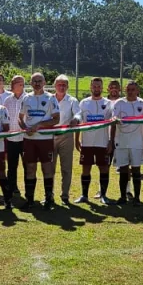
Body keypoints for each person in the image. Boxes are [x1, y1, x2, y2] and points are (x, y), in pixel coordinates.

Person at [18, 72, 61, 210]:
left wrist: (40, 125)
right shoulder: (26, 98)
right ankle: (29, 200)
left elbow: (56, 119)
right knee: (30, 168)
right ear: (30, 83)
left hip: (45, 139)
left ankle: (49, 199)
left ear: (44, 83)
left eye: (39, 81)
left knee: (46, 168)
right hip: (29, 139)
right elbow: (20, 117)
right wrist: (25, 128)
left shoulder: (50, 98)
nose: (37, 83)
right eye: (34, 81)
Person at [109, 81, 143, 205]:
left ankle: (137, 198)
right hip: (121, 142)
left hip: (137, 143)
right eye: (128, 89)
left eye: (133, 89)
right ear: (125, 90)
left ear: (137, 90)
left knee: (136, 170)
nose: (130, 91)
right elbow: (113, 123)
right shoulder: (119, 103)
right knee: (123, 170)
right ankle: (123, 197)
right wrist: (111, 141)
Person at [75, 77, 113, 204]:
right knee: (86, 168)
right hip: (87, 142)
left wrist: (111, 141)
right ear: (90, 87)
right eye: (94, 86)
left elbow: (113, 122)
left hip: (102, 142)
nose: (96, 88)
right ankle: (84, 195)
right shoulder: (84, 103)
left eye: (99, 86)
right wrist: (77, 139)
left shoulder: (108, 103)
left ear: (102, 88)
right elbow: (79, 120)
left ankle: (103, 195)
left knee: (104, 168)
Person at [51, 74, 81, 204]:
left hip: (66, 137)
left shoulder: (72, 100)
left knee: (66, 168)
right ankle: (49, 195)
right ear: (54, 86)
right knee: (49, 168)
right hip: (50, 136)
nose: (61, 87)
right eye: (59, 84)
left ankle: (65, 195)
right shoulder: (48, 99)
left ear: (67, 86)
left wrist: (76, 119)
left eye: (64, 85)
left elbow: (79, 114)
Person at [2, 75, 27, 201]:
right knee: (11, 166)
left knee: (28, 166)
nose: (20, 85)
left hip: (25, 139)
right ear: (12, 85)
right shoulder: (7, 100)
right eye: (17, 82)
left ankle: (29, 192)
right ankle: (12, 188)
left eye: (22, 83)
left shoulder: (28, 98)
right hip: (11, 139)